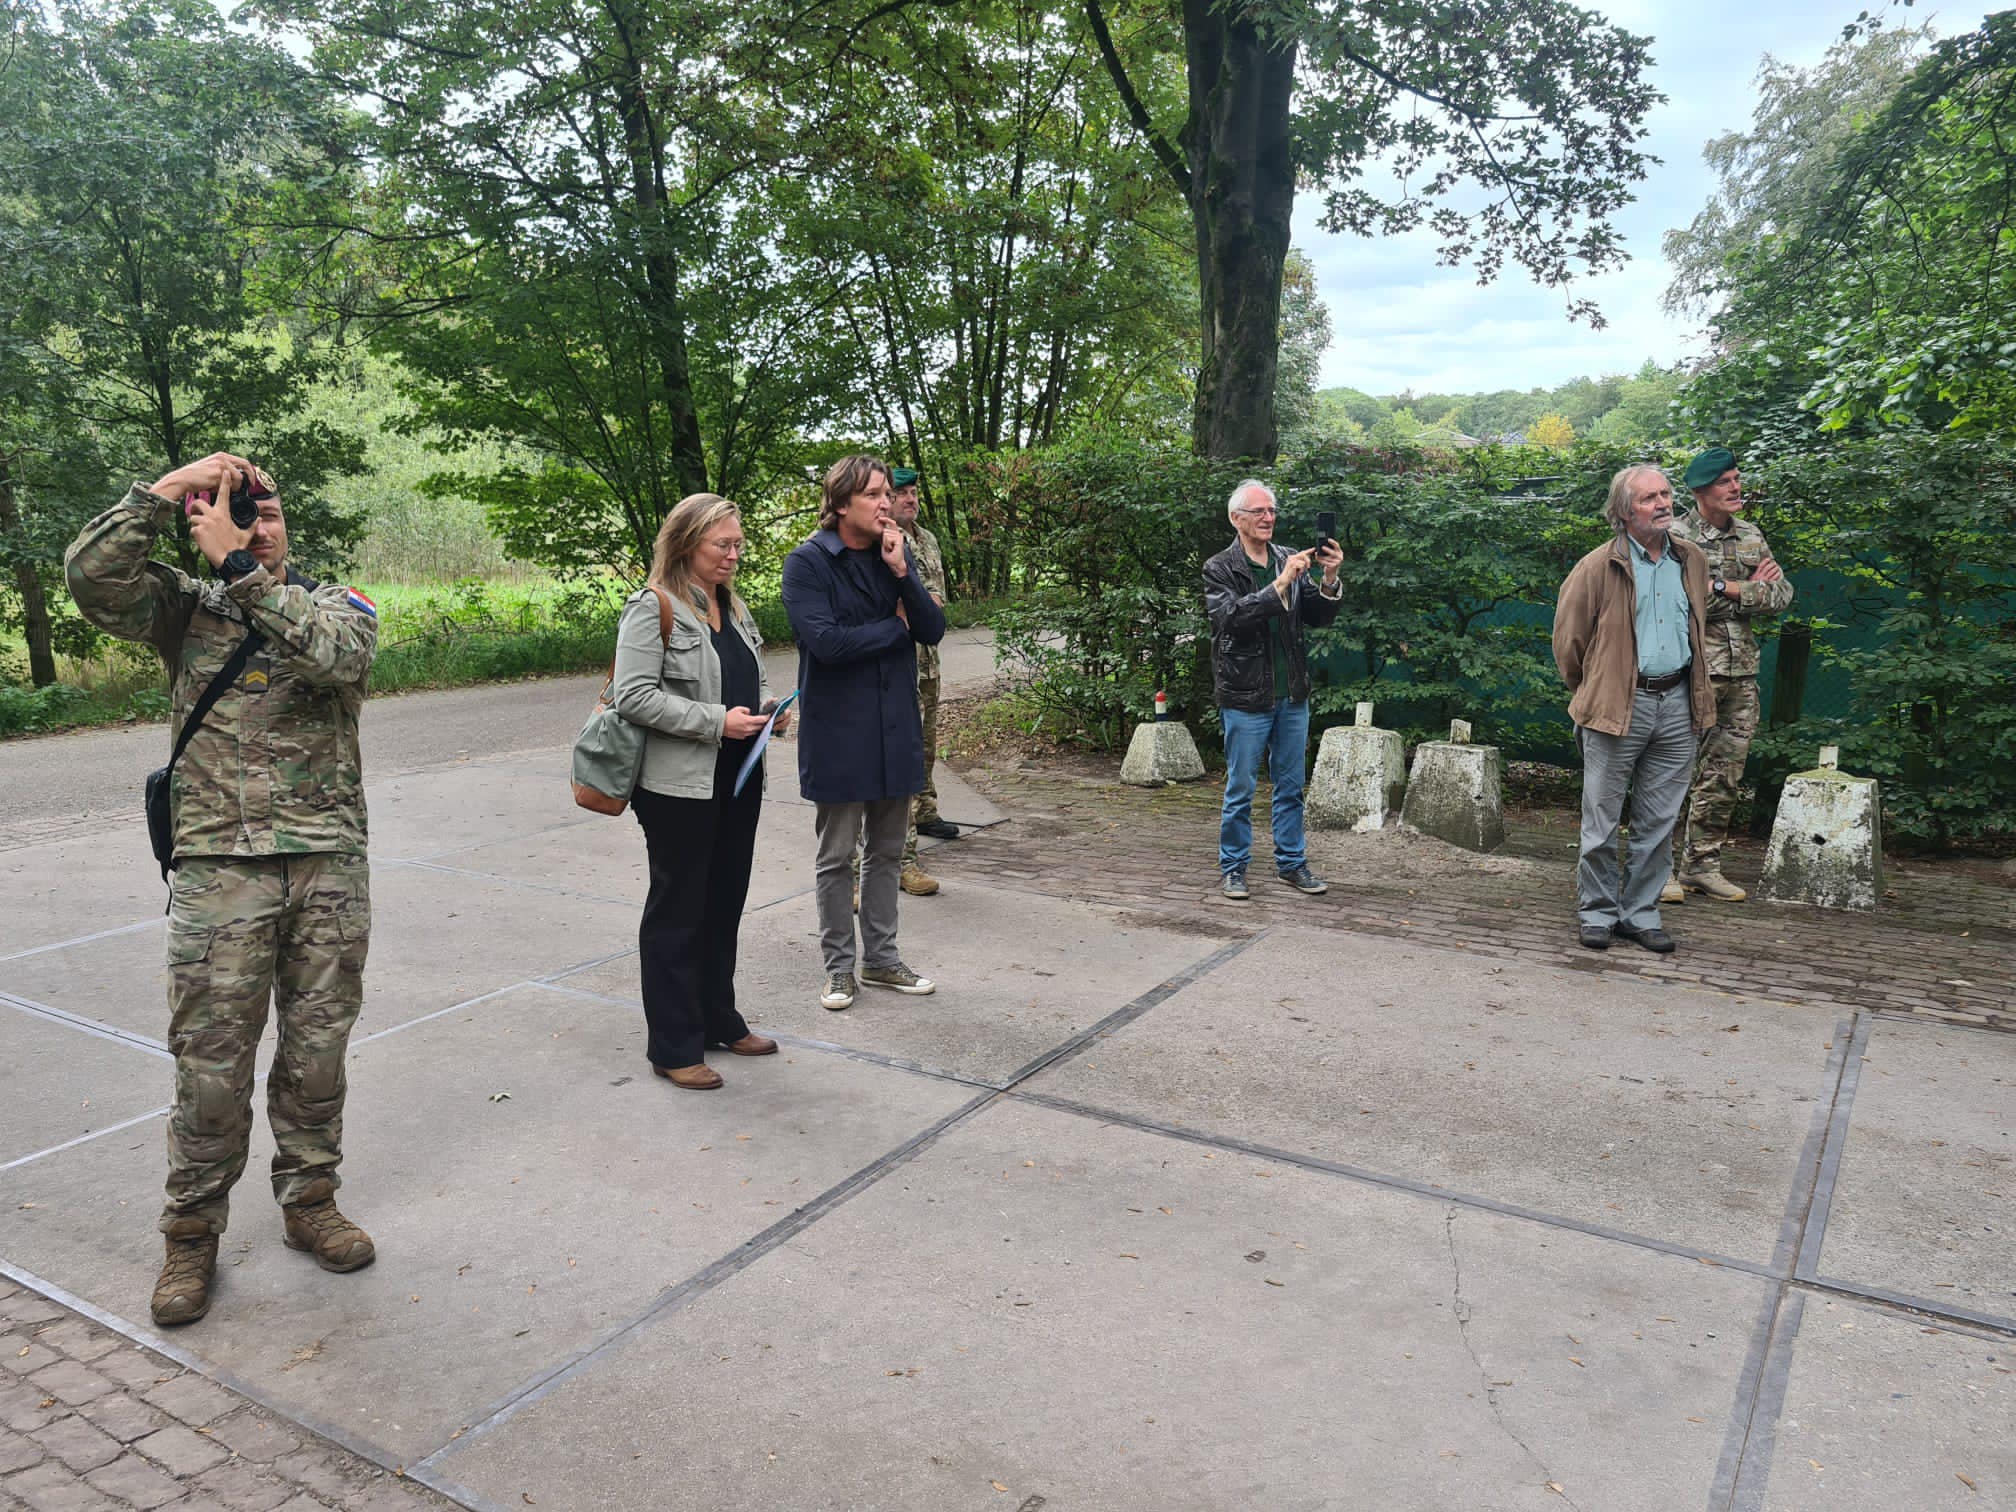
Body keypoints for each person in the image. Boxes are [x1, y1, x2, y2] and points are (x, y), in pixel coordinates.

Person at [64, 453, 379, 1327]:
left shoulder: (336, 604)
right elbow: (91, 578)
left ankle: (310, 1203)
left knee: (317, 1055)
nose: (256, 522)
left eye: (267, 510)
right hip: (219, 870)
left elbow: (338, 662)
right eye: (238, 509)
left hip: (327, 864)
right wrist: (164, 492)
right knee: (210, 1066)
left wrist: (243, 571)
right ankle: (191, 1237)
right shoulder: (181, 610)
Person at [613, 493, 786, 1090]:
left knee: (724, 903)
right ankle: (673, 1044)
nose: (735, 555)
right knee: (678, 910)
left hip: (740, 778)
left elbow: (751, 677)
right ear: (688, 544)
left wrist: (768, 713)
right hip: (677, 788)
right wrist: (718, 721)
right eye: (723, 545)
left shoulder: (733, 607)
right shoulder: (652, 608)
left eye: (739, 544)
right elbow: (632, 696)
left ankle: (719, 1019)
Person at [781, 455, 947, 1011]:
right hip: (839, 731)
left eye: (886, 493)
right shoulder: (807, 563)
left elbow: (932, 629)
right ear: (840, 504)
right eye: (873, 494)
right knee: (836, 857)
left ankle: (881, 960)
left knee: (886, 850)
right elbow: (826, 644)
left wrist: (903, 576)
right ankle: (838, 969)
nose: (886, 502)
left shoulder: (892, 554)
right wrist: (891, 627)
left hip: (896, 724)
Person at [1552, 464, 1716, 954]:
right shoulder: (1596, 567)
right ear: (1624, 512)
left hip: (1679, 704)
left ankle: (1640, 913)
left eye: (1666, 494)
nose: (1663, 503)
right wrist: (1597, 690)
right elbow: (1569, 645)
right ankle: (1597, 912)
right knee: (1600, 821)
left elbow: (1697, 628)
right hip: (1616, 707)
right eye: (1649, 498)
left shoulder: (1691, 560)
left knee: (1659, 821)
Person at [1663, 447, 1794, 904]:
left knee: (1724, 775)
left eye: (1738, 478)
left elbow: (1781, 595)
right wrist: (1745, 588)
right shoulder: (1676, 536)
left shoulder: (1751, 534)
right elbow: (1682, 601)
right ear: (1701, 491)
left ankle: (1701, 866)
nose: (1737, 487)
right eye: (1726, 482)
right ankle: (1657, 871)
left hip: (1741, 674)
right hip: (1691, 670)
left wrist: (1723, 586)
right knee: (1672, 771)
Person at [1203, 479, 1344, 901]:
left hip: (1292, 695)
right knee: (1241, 788)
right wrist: (1279, 584)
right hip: (1246, 697)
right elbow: (1231, 619)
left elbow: (1317, 617)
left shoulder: (1287, 558)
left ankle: (1292, 864)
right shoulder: (1219, 567)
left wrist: (1330, 578)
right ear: (1236, 518)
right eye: (1259, 512)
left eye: (1272, 511)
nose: (1269, 518)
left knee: (1290, 785)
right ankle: (1233, 868)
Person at [890, 466, 957, 889]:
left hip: (927, 658)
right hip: (899, 658)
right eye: (903, 494)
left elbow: (935, 601)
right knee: (905, 753)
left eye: (914, 492)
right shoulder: (885, 544)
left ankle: (925, 811)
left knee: (927, 742)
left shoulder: (926, 540)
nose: (911, 499)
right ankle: (901, 856)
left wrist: (923, 606)